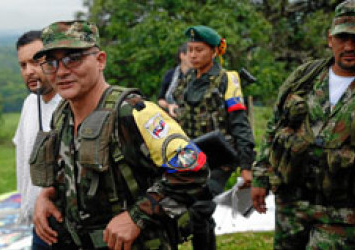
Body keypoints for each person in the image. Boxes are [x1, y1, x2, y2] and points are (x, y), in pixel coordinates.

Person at [30, 20, 209, 250]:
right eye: (52, 63)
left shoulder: (134, 112)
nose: (62, 71)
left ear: (100, 60)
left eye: (73, 59)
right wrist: (46, 195)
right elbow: (69, 172)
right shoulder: (62, 116)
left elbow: (194, 169)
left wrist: (137, 216)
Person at [251, 1, 355, 249]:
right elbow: (274, 125)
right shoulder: (305, 77)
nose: (350, 46)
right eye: (343, 38)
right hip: (292, 205)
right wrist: (260, 177)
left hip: (343, 212)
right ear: (330, 39)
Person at [172, 25, 256, 250]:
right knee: (200, 212)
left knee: (199, 209)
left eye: (199, 49)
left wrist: (246, 164)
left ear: (213, 51)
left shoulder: (227, 80)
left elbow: (240, 122)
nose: (193, 55)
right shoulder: (185, 80)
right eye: (190, 50)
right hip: (192, 155)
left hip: (220, 156)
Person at [13, 30, 61, 249]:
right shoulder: (29, 104)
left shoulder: (70, 103)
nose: (29, 72)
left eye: (35, 61)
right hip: (38, 222)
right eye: (23, 65)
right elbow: (23, 157)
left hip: (64, 222)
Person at [157, 43, 191, 117]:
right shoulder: (170, 75)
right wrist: (169, 106)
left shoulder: (200, 75)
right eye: (190, 53)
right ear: (182, 56)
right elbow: (160, 100)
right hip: (173, 119)